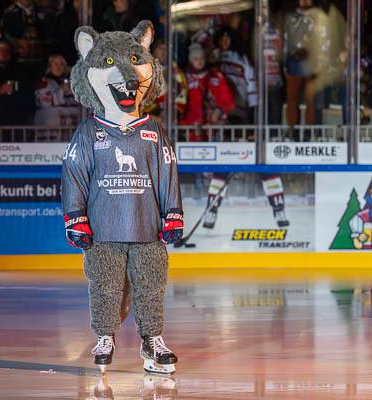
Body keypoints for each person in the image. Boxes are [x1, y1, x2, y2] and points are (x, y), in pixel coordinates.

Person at [63, 21, 182, 375]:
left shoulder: (153, 132)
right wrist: (75, 217)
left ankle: (153, 340)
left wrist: (172, 214)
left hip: (146, 229)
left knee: (150, 287)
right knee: (105, 287)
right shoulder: (88, 133)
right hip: (103, 233)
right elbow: (74, 175)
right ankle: (104, 336)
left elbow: (167, 172)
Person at [284, 0, 329, 139]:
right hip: (294, 61)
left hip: (312, 62)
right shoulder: (291, 17)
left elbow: (326, 40)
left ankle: (310, 132)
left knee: (311, 100)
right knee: (292, 99)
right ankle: (293, 131)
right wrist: (286, 60)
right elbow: (286, 40)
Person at [178, 44, 235, 141]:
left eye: (201, 58)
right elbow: (179, 102)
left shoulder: (216, 75)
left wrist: (219, 110)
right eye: (196, 59)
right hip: (191, 128)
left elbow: (227, 97)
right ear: (191, 60)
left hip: (215, 127)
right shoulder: (184, 78)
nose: (199, 61)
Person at [214, 27, 257, 124]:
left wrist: (253, 104)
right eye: (222, 39)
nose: (224, 42)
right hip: (218, 109)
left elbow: (251, 79)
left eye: (227, 39)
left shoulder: (241, 58)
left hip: (239, 106)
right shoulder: (213, 58)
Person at [33, 55, 80, 136]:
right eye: (55, 64)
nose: (58, 66)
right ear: (50, 67)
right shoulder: (43, 83)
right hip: (49, 128)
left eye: (61, 64)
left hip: (69, 129)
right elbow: (44, 103)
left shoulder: (73, 83)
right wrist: (61, 91)